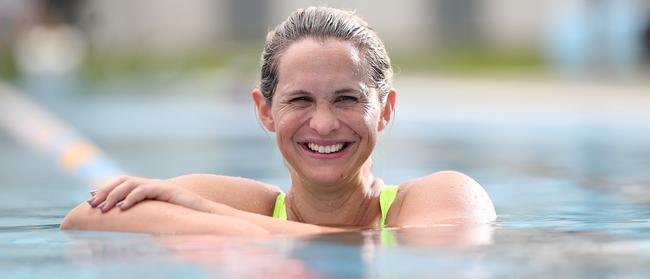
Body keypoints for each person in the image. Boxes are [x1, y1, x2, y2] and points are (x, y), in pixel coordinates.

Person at [61, 7, 496, 236]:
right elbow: (82, 218)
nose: (323, 124)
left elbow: (440, 249)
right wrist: (237, 223)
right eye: (300, 100)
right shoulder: (252, 204)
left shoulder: (444, 196)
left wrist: (208, 214)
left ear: (385, 109)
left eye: (347, 99)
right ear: (265, 111)